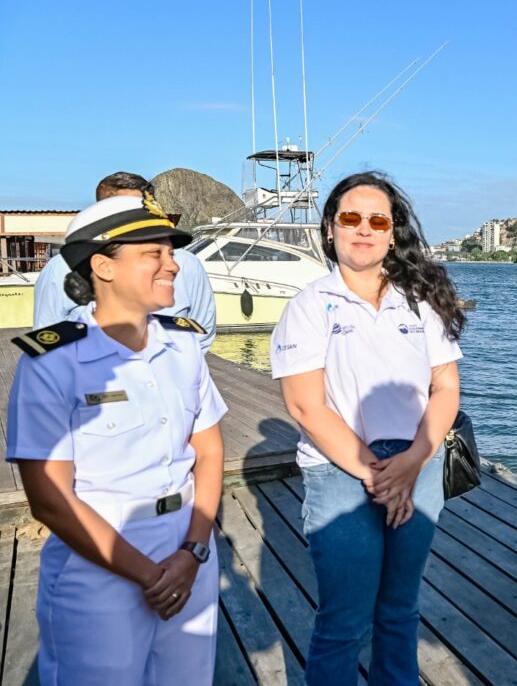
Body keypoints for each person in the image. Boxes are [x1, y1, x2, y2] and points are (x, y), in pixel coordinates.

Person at [6, 193, 226, 685]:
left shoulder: (183, 344)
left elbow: (208, 450)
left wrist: (192, 552)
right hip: (99, 562)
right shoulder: (52, 362)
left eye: (172, 252)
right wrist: (151, 576)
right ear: (103, 266)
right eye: (155, 253)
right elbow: (51, 500)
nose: (173, 264)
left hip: (188, 550)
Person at [270, 171, 464, 684]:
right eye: (350, 218)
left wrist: (415, 460)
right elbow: (306, 406)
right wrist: (380, 476)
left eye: (377, 219)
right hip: (342, 474)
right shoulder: (309, 306)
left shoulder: (419, 300)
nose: (364, 229)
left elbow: (446, 388)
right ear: (330, 229)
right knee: (344, 620)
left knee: (400, 610)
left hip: (418, 466)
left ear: (393, 231)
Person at [34, 171, 217, 353]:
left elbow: (201, 335)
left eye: (142, 209)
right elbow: (47, 336)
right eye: (122, 210)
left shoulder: (188, 265)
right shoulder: (61, 268)